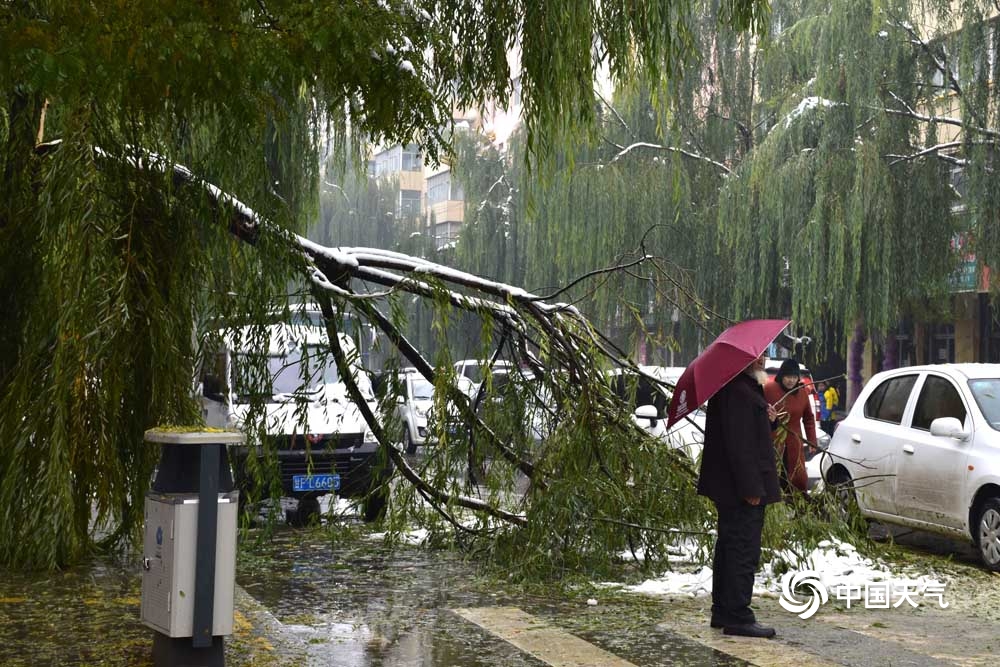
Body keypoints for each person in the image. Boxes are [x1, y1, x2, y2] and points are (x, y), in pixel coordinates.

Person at [697, 353, 781, 639]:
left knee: (729, 547)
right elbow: (740, 446)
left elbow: (750, 433)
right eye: (758, 357)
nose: (763, 360)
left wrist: (769, 421)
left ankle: (723, 610)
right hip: (741, 489)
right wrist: (751, 489)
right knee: (743, 550)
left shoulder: (739, 388)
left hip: (732, 488)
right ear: (741, 360)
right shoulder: (738, 391)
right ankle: (737, 615)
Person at [764, 358, 818, 494]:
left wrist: (812, 441)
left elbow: (809, 419)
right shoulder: (769, 389)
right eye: (788, 377)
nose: (791, 380)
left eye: (794, 377)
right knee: (773, 476)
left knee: (797, 477)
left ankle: (797, 504)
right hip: (773, 439)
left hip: (794, 440)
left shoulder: (802, 392)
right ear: (782, 375)